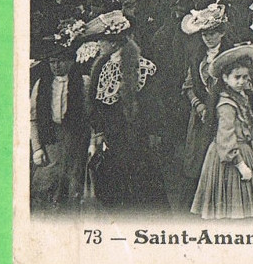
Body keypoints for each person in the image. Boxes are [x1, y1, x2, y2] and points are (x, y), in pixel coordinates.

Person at [77, 11, 168, 209]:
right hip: (112, 139)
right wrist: (99, 132)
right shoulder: (102, 66)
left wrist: (151, 132)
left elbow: (152, 106)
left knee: (141, 192)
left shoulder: (142, 67)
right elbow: (97, 105)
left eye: (103, 40)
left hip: (136, 138)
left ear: (114, 43)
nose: (100, 45)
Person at [191, 44, 253, 219]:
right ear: (225, 78)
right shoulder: (226, 105)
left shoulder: (240, 98)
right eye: (236, 77)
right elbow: (225, 137)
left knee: (245, 208)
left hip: (241, 149)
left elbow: (249, 123)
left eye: (244, 77)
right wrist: (240, 164)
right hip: (229, 156)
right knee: (235, 207)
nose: (241, 82)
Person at [30, 27, 91, 210]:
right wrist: (37, 148)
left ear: (71, 62)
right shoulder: (43, 85)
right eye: (52, 62)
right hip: (52, 138)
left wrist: (92, 143)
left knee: (74, 180)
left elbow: (90, 116)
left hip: (76, 137)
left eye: (60, 62)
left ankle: (71, 218)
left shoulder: (83, 82)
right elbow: (33, 118)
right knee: (47, 180)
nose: (56, 66)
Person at [179, 3, 231, 209]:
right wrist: (198, 105)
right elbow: (188, 85)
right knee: (197, 159)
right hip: (201, 117)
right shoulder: (196, 56)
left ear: (221, 33)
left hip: (225, 114)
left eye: (213, 33)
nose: (209, 38)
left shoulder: (231, 54)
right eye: (204, 34)